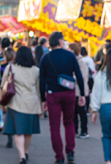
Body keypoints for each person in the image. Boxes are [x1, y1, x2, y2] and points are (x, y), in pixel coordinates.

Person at [39, 32, 86, 164]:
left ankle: (59, 157)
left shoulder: (45, 58)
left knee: (54, 126)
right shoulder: (70, 56)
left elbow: (41, 80)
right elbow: (79, 76)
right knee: (69, 122)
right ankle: (70, 151)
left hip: (52, 93)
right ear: (60, 41)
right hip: (69, 92)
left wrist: (43, 99)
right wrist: (82, 94)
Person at [1, 46, 42, 164]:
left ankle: (22, 156)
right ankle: (26, 151)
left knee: (19, 131)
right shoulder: (36, 70)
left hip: (16, 103)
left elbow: (3, 86)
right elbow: (39, 89)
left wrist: (2, 104)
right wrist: (40, 107)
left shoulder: (10, 68)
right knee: (28, 131)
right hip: (32, 104)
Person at [68, 43, 90, 139]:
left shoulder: (80, 62)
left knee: (81, 112)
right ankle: (75, 130)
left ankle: (84, 131)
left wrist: (70, 78)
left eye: (69, 49)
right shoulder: (71, 60)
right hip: (73, 90)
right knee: (73, 112)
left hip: (80, 90)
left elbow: (83, 76)